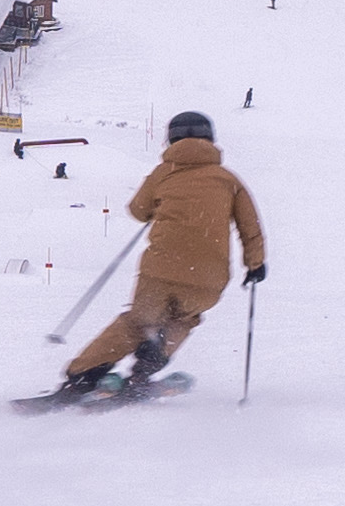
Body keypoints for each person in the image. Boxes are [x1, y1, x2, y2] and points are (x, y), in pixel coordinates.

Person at [60, 108, 266, 394]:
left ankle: (83, 375)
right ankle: (143, 373)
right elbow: (250, 226)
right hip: (209, 276)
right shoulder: (228, 180)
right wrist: (256, 265)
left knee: (138, 323)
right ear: (211, 139)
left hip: (160, 270)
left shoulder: (163, 172)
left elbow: (138, 210)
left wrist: (161, 205)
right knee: (183, 319)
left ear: (171, 140)